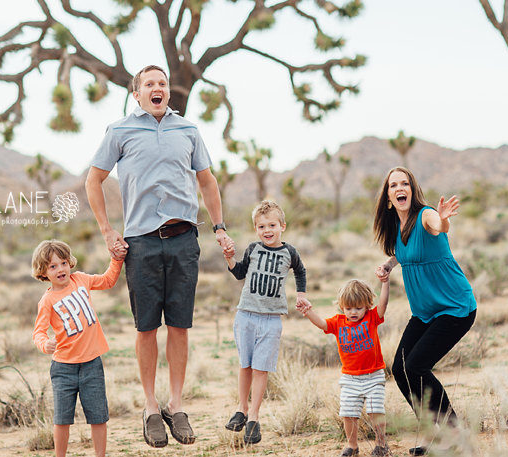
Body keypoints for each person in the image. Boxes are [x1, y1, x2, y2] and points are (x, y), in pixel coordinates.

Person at [85, 65, 234, 448]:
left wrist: (219, 227)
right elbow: (94, 179)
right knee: (146, 327)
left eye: (162, 83)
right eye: (149, 84)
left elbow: (207, 181)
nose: (157, 88)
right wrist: (107, 231)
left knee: (180, 325)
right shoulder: (120, 131)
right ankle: (151, 408)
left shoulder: (188, 130)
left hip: (184, 238)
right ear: (136, 94)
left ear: (168, 91)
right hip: (142, 242)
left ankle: (176, 405)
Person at [373, 167, 476, 456]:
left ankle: (454, 430)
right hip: (425, 313)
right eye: (394, 185)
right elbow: (405, 250)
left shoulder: (426, 214)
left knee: (416, 366)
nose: (399, 188)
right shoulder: (396, 224)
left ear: (412, 189)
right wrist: (390, 265)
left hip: (455, 307)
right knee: (400, 369)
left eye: (404, 183)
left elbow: (437, 226)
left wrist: (443, 220)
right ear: (389, 195)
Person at [222, 200, 310, 445]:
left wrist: (300, 294)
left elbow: (300, 271)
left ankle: (254, 416)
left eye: (272, 225)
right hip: (246, 316)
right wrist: (230, 258)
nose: (267, 230)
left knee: (261, 368)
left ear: (282, 226)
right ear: (256, 229)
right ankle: (241, 408)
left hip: (271, 320)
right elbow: (239, 272)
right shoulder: (252, 248)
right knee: (245, 365)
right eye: (261, 226)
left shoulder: (289, 252)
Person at [31, 239, 123, 457]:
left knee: (98, 416)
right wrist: (45, 344)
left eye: (63, 263)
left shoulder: (80, 280)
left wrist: (116, 260)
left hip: (92, 364)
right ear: (43, 272)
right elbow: (38, 332)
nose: (60, 269)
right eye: (52, 266)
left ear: (70, 263)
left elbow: (108, 280)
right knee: (62, 419)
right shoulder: (47, 301)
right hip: (64, 369)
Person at [298, 278, 391, 457]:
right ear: (342, 307)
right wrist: (308, 311)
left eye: (358, 308)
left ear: (367, 306)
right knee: (348, 413)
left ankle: (381, 444)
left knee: (375, 410)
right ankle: (352, 445)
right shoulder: (338, 322)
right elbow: (321, 323)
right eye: (348, 308)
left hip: (374, 375)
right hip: (350, 378)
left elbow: (384, 303)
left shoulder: (372, 318)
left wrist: (385, 282)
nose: (353, 312)